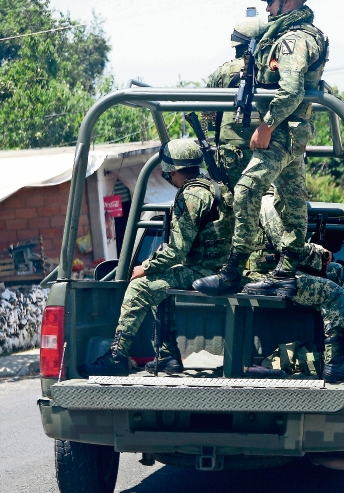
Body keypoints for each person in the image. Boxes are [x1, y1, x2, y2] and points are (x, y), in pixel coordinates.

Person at [194, 0, 329, 298]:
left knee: (246, 190)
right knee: (292, 200)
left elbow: (292, 90)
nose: (268, 9)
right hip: (296, 132)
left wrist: (266, 126)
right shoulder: (307, 34)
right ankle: (287, 270)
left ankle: (233, 271)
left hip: (281, 130)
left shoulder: (293, 40)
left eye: (271, 1)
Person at [79, 139, 233, 377]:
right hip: (221, 269)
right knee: (161, 284)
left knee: (140, 286)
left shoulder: (190, 196)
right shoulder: (214, 188)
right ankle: (168, 355)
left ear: (172, 170)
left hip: (204, 271)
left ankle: (117, 357)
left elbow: (177, 250)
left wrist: (146, 267)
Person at [246, 196, 344, 383]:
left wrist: (319, 254)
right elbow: (286, 244)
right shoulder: (268, 202)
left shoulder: (271, 199)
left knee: (336, 270)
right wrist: (318, 255)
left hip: (276, 271)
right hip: (267, 276)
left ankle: (322, 350)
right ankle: (333, 364)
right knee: (334, 293)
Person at [205, 15, 268, 184]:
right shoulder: (271, 71)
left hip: (230, 157)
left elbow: (208, 116)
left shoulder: (222, 72)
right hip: (267, 154)